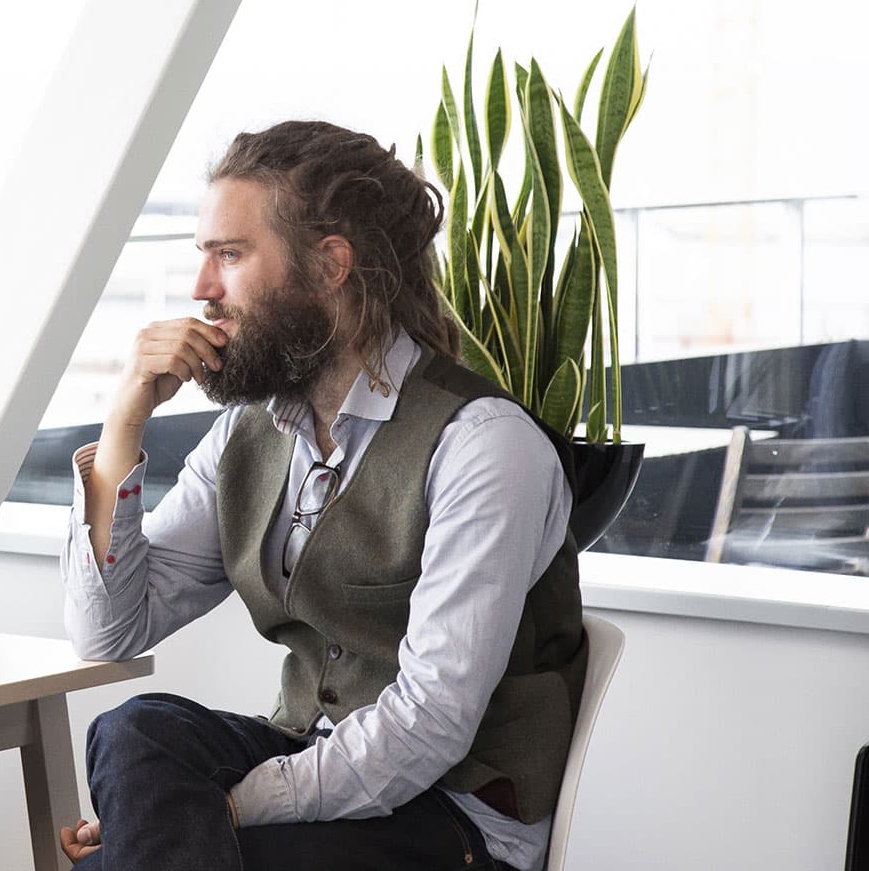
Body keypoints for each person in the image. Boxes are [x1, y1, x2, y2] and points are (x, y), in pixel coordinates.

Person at [58, 121, 585, 871]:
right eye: (204, 258)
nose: (204, 289)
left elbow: (431, 724)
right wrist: (125, 418)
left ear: (330, 264)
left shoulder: (483, 444)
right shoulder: (252, 431)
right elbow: (108, 632)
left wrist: (219, 809)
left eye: (230, 256)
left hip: (455, 815)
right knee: (135, 731)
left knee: (134, 854)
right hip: (313, 758)